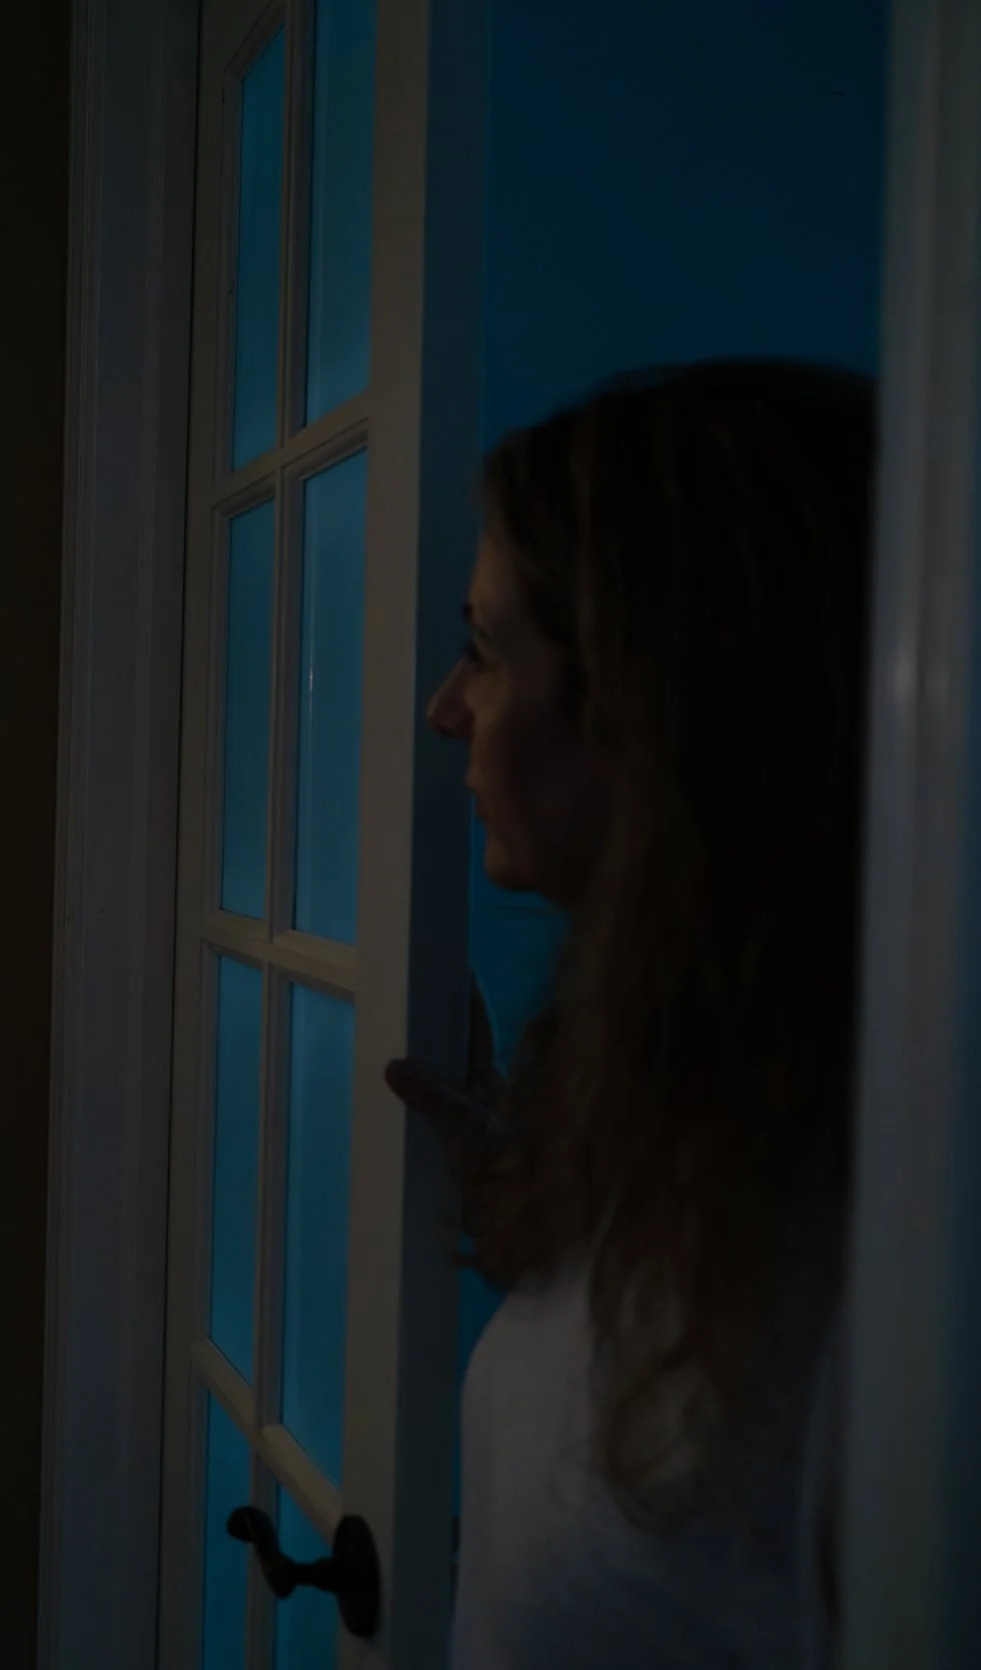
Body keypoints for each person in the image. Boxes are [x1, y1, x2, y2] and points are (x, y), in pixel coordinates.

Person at [414, 360, 874, 1668]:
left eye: (490, 649)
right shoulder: (697, 1132)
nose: (445, 707)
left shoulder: (870, 1277)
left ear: (659, 695)